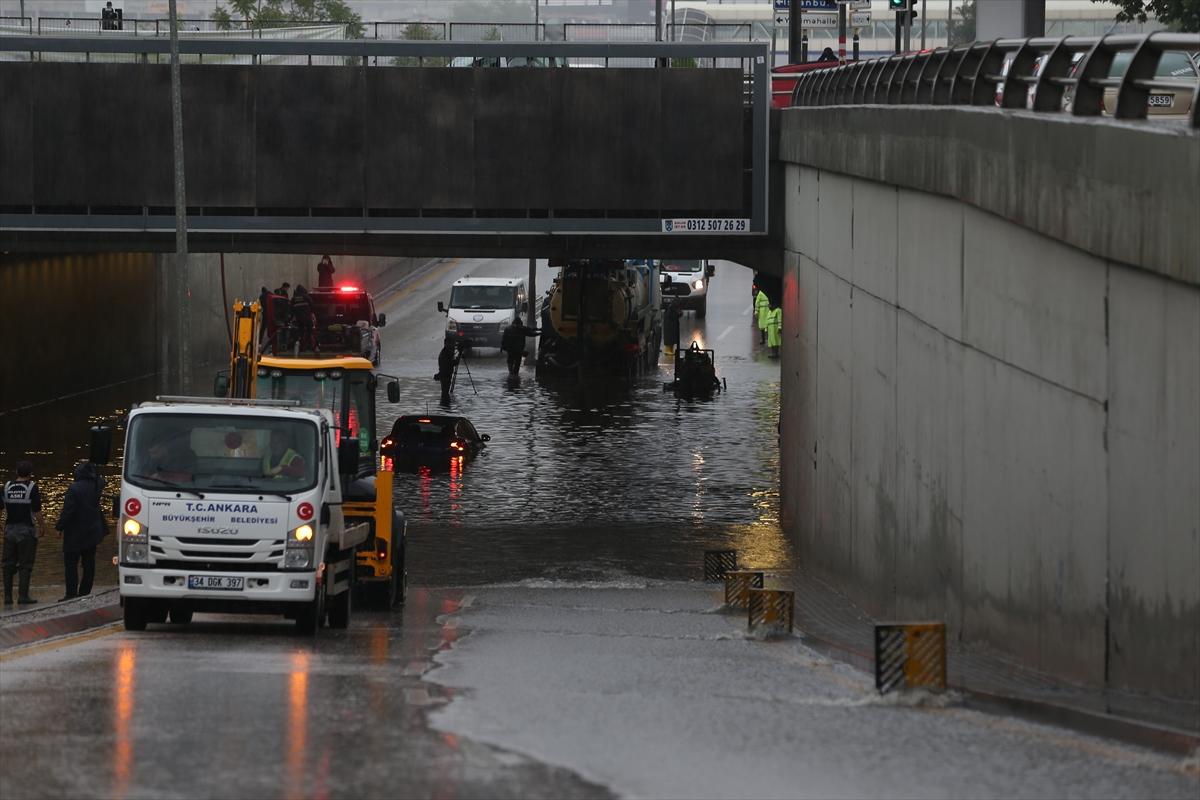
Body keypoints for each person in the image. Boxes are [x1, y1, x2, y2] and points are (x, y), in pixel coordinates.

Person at [55, 463, 108, 602]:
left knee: (71, 563)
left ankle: (71, 593)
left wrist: (59, 527)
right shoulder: (97, 485)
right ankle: (85, 592)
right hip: (93, 531)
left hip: (75, 532)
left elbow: (69, 511)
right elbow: (102, 479)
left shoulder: (74, 488)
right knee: (89, 563)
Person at [2, 461, 44, 606]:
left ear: (16, 472)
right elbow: (37, 511)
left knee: (7, 564)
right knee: (25, 565)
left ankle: (7, 597)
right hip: (26, 531)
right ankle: (23, 596)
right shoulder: (32, 487)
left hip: (9, 531)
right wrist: (42, 526)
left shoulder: (6, 487)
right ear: (30, 474)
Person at [290, 285, 317, 351]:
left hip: (299, 319)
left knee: (301, 333)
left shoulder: (294, 298)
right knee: (310, 332)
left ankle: (302, 347)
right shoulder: (306, 297)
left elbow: (291, 309)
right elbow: (312, 305)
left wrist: (291, 318)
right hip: (307, 318)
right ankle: (313, 347)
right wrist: (312, 313)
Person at [436, 340, 459, 405]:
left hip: (446, 374)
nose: (452, 345)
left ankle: (445, 404)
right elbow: (448, 364)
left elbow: (449, 363)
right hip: (445, 375)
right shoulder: (445, 353)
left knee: (445, 391)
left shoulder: (446, 351)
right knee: (445, 392)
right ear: (446, 344)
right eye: (450, 343)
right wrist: (456, 361)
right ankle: (445, 404)